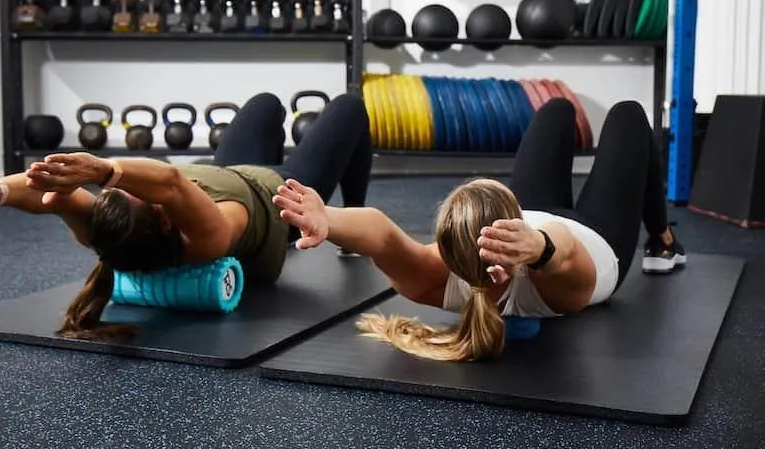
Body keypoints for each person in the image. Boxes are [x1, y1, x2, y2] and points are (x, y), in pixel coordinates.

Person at [272, 97, 686, 362]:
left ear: (447, 248)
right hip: (594, 235)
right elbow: (566, 251)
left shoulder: (431, 279)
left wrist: (330, 218)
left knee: (556, 110)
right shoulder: (559, 287)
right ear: (513, 220)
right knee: (629, 115)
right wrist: (539, 246)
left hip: (537, 220)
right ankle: (663, 241)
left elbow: (381, 233)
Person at [0, 92, 372, 339]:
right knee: (350, 108)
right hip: (283, 190)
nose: (127, 188)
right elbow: (173, 184)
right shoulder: (204, 238)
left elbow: (51, 193)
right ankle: (348, 225)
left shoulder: (107, 229)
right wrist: (106, 170)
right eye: (133, 191)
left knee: (265, 105)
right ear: (165, 220)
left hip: (228, 171)